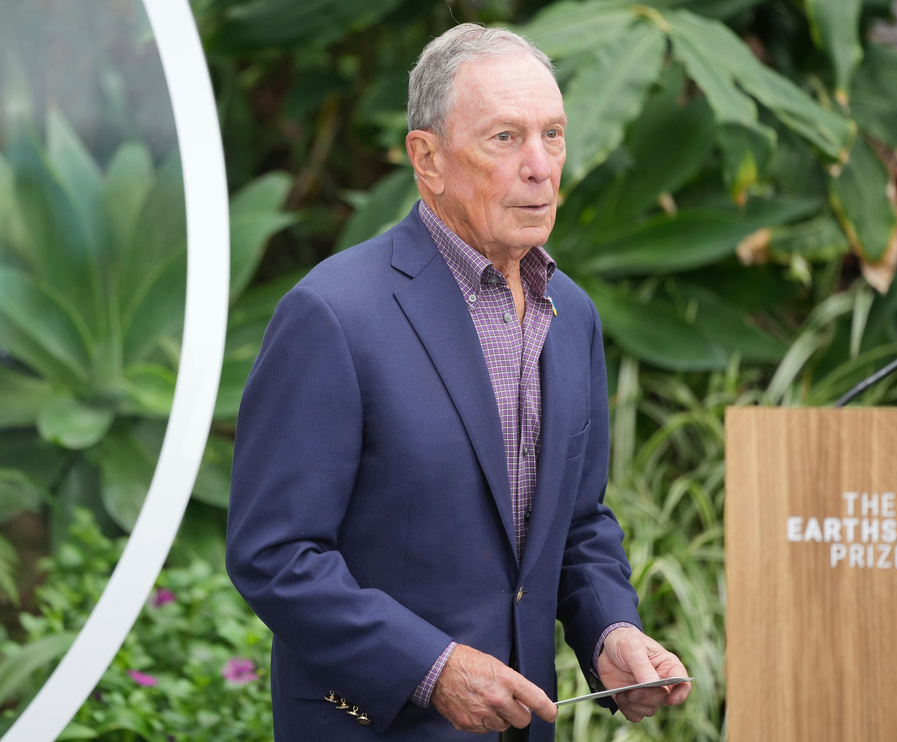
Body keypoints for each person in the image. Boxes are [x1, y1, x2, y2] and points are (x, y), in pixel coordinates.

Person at [226, 22, 691, 741]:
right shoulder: (333, 314)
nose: (540, 166)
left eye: (554, 135)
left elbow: (578, 524)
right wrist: (431, 667)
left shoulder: (573, 317)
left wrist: (610, 633)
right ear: (428, 158)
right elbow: (275, 554)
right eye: (505, 139)